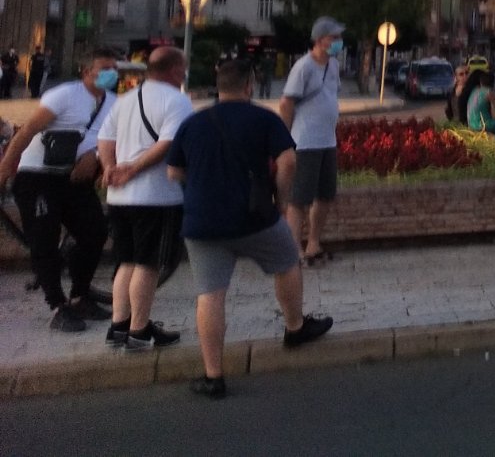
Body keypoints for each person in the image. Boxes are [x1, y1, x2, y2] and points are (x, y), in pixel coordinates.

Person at [168, 58, 333, 399]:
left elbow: (174, 172)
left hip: (203, 223)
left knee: (210, 294)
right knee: (287, 262)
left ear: (218, 86)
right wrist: (281, 198)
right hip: (254, 217)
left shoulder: (193, 123)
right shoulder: (263, 119)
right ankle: (295, 327)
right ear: (249, 85)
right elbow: (288, 161)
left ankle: (214, 376)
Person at [0, 48, 118, 331]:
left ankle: (80, 295)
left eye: (114, 68)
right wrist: (4, 170)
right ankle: (57, 305)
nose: (111, 74)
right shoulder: (64, 95)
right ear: (87, 71)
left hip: (74, 179)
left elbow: (109, 141)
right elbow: (27, 131)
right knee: (44, 240)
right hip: (39, 176)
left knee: (94, 232)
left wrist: (97, 158)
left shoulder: (114, 102)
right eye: (104, 68)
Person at [96, 46, 194, 349]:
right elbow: (168, 143)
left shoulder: (124, 100)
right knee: (148, 264)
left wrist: (111, 168)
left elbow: (104, 139)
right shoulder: (177, 101)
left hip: (119, 198)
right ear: (176, 70)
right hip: (156, 197)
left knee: (125, 261)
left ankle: (119, 325)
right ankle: (139, 331)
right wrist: (134, 169)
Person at [277, 16, 345, 264]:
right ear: (320, 40)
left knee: (325, 195)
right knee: (299, 199)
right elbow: (286, 102)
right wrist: (285, 140)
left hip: (328, 140)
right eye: (334, 37)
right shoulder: (303, 67)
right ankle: (293, 251)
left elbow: (330, 95)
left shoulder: (333, 65)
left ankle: (313, 244)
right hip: (305, 142)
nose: (339, 42)